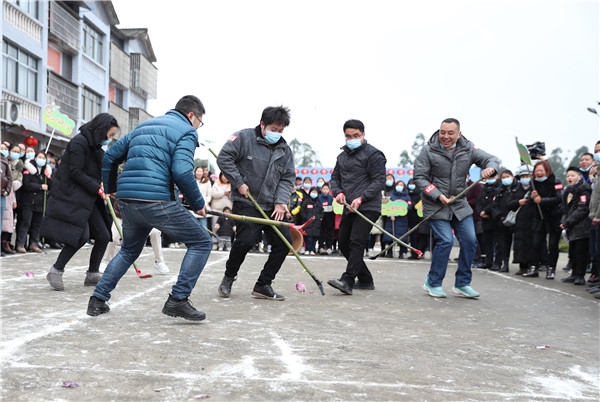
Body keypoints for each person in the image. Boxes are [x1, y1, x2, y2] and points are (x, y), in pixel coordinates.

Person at [87, 95, 212, 321]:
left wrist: (112, 189)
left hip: (128, 200)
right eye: (199, 122)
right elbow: (183, 171)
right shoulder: (186, 131)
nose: (198, 127)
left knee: (128, 251)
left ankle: (97, 300)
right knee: (202, 242)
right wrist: (199, 204)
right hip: (155, 201)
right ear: (192, 115)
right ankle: (178, 300)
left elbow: (110, 157)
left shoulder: (143, 126)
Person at [216, 105, 295, 301]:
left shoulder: (285, 150)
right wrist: (238, 182)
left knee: (284, 242)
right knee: (245, 241)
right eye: (273, 129)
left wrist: (280, 202)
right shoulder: (244, 138)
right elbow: (224, 157)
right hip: (247, 201)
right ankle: (229, 277)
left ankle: (263, 284)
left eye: (280, 131)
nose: (276, 134)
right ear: (263, 124)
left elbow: (287, 178)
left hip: (272, 206)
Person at [414, 119, 499, 298]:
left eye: (450, 133)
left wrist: (490, 169)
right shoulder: (428, 150)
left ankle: (462, 283)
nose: (445, 136)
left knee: (469, 240)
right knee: (445, 240)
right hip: (435, 204)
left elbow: (491, 159)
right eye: (442, 132)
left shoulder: (468, 149)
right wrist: (438, 195)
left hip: (460, 204)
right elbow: (420, 178)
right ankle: (433, 282)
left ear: (458, 134)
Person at [41, 114, 116, 289]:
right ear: (101, 129)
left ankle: (92, 274)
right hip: (72, 197)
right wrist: (97, 188)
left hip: (89, 198)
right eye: (110, 134)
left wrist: (110, 186)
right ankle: (56, 270)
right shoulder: (79, 142)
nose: (109, 139)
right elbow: (76, 172)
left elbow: (105, 169)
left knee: (104, 235)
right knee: (79, 237)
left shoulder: (96, 147)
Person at [327, 119, 386, 295]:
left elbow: (379, 181)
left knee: (356, 241)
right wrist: (338, 192)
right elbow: (334, 179)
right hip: (349, 206)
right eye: (348, 136)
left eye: (356, 136)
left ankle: (348, 280)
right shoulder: (342, 157)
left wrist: (362, 198)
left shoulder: (374, 155)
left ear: (363, 135)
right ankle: (366, 279)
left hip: (368, 206)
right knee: (344, 243)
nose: (352, 139)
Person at [100, 196, 169, 274]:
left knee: (155, 232)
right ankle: (106, 262)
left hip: (141, 218)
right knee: (112, 236)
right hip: (121, 216)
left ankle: (159, 261)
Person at [524, 160, 563, 279]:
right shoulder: (533, 184)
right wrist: (532, 198)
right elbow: (530, 203)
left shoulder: (556, 182)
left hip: (554, 217)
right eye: (537, 171)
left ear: (547, 171)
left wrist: (542, 200)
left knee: (552, 245)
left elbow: (559, 199)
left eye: (541, 170)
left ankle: (551, 269)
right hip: (539, 217)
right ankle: (533, 267)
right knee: (536, 243)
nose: (539, 173)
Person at [559, 166, 591, 285]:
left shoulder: (584, 189)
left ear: (579, 176)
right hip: (571, 227)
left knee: (580, 253)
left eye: (572, 175)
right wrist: (564, 222)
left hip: (582, 227)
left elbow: (583, 209)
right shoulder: (568, 191)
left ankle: (580, 275)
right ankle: (573, 274)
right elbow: (565, 210)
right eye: (567, 176)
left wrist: (568, 222)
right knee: (572, 252)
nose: (569, 178)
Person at [16, 152, 50, 253]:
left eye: (44, 158)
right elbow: (26, 184)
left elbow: (50, 186)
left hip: (40, 203)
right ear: (35, 158)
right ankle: (20, 243)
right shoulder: (28, 170)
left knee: (37, 224)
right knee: (26, 222)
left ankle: (34, 243)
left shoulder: (45, 172)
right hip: (29, 202)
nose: (42, 159)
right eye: (40, 157)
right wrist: (40, 187)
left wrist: (48, 178)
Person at [507, 165, 536, 275]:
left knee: (531, 244)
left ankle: (531, 265)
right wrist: (518, 202)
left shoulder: (534, 189)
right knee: (519, 245)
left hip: (532, 221)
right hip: (519, 222)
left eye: (527, 175)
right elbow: (508, 204)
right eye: (523, 176)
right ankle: (522, 266)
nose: (525, 178)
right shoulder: (516, 190)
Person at [382, 180, 410, 258]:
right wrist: (390, 214)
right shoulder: (391, 196)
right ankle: (389, 252)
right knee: (390, 236)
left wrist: (403, 204)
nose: (399, 186)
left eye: (401, 185)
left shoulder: (407, 196)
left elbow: (410, 207)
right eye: (398, 185)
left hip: (402, 220)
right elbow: (386, 206)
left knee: (402, 237)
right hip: (391, 219)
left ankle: (401, 252)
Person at [300, 186, 323, 255]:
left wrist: (320, 218)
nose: (314, 194)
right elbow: (302, 211)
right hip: (308, 223)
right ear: (310, 193)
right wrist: (306, 218)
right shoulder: (306, 201)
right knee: (308, 237)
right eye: (313, 192)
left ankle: (312, 250)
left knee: (314, 237)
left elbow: (322, 211)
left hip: (316, 223)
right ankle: (307, 249)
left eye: (315, 192)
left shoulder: (319, 202)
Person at [0, 143, 13, 256]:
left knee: (0, 223)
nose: (3, 150)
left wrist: (6, 191)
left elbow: (9, 178)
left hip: (2, 195)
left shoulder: (4, 162)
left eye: (5, 148)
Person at [318, 182, 335, 254]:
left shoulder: (332, 198)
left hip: (330, 217)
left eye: (326, 189)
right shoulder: (318, 197)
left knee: (330, 232)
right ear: (321, 190)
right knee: (321, 232)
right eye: (324, 189)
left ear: (329, 190)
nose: (325, 190)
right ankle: (321, 247)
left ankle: (329, 247)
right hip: (321, 217)